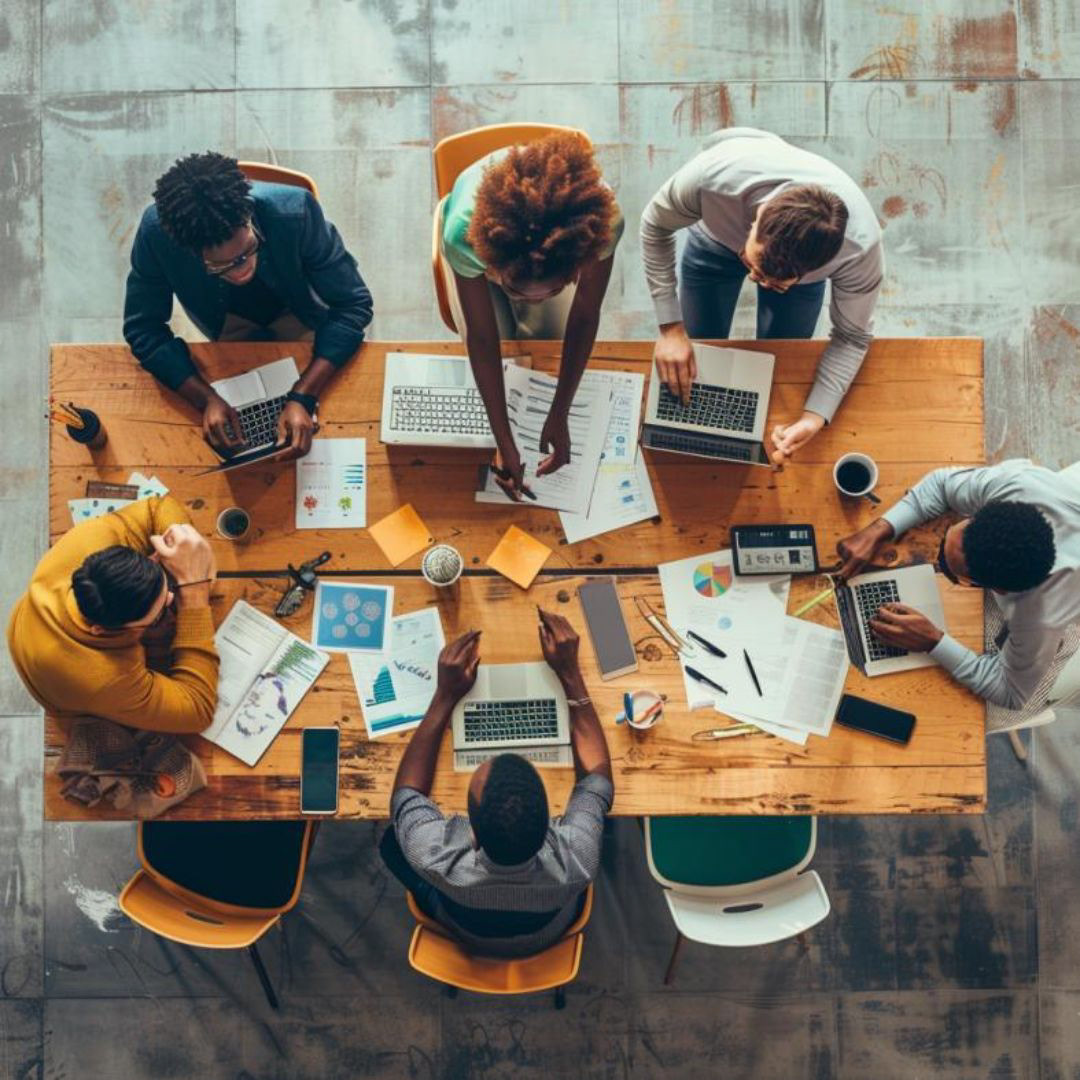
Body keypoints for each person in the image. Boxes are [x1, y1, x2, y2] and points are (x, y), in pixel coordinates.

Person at [640, 127, 883, 465]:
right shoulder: (713, 176)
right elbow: (654, 225)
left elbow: (853, 337)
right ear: (756, 218)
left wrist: (815, 416)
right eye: (753, 265)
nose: (756, 279)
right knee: (700, 353)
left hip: (799, 278)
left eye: (773, 281)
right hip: (714, 242)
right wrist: (669, 327)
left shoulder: (860, 250)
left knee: (782, 364)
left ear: (817, 269)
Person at [381, 610, 613, 957]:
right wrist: (568, 672)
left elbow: (406, 795)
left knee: (389, 842)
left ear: (471, 833)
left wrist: (445, 695)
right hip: (549, 932)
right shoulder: (578, 859)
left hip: (464, 932)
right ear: (553, 824)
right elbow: (597, 775)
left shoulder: (431, 854)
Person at [123, 151, 373, 461]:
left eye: (247, 251)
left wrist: (302, 396)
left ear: (247, 216)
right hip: (224, 323)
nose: (241, 272)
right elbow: (142, 328)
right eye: (220, 266)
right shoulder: (155, 235)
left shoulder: (297, 211)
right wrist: (205, 399)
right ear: (191, 250)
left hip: (301, 312)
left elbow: (353, 306)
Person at [440, 132, 624, 500]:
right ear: (493, 268)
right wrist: (503, 439)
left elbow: (587, 313)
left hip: (538, 256)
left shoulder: (602, 229)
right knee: (502, 341)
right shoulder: (462, 236)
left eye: (555, 291)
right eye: (517, 292)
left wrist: (561, 410)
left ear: (576, 266)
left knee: (544, 338)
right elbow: (480, 337)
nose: (535, 301)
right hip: (476, 236)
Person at [836, 460, 1080, 716]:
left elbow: (1011, 693)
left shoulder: (1039, 615)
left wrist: (934, 641)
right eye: (952, 534)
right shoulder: (1017, 484)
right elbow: (941, 485)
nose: (937, 559)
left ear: (1000, 591)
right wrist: (879, 529)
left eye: (953, 573)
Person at [7, 496, 219, 734]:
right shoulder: (106, 679)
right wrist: (194, 594)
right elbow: (198, 710)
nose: (171, 597)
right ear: (101, 629)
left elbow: (156, 508)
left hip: (29, 625)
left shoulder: (90, 542)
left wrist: (186, 553)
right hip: (58, 693)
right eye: (159, 614)